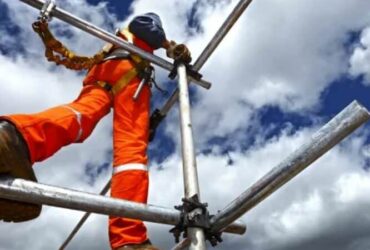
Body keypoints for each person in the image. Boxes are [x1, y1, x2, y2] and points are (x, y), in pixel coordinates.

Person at [0, 13, 191, 250]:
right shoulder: (144, 24)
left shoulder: (117, 40)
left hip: (103, 75)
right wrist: (169, 46)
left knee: (80, 117)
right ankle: (129, 238)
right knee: (130, 154)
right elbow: (145, 27)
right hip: (130, 70)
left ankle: (15, 137)